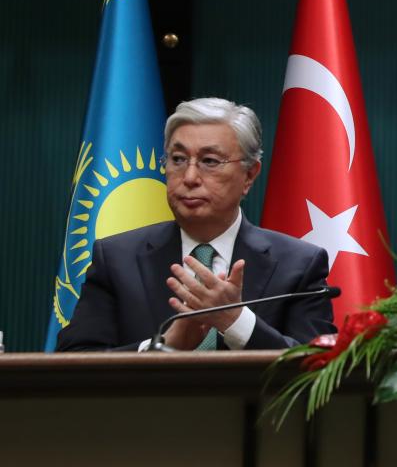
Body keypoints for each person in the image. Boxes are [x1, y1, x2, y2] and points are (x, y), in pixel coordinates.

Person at [57, 98, 335, 352]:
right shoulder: (117, 259)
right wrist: (162, 347)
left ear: (249, 175)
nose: (189, 177)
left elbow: (319, 368)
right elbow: (74, 362)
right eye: (178, 159)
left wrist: (236, 321)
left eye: (209, 161)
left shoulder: (298, 265)